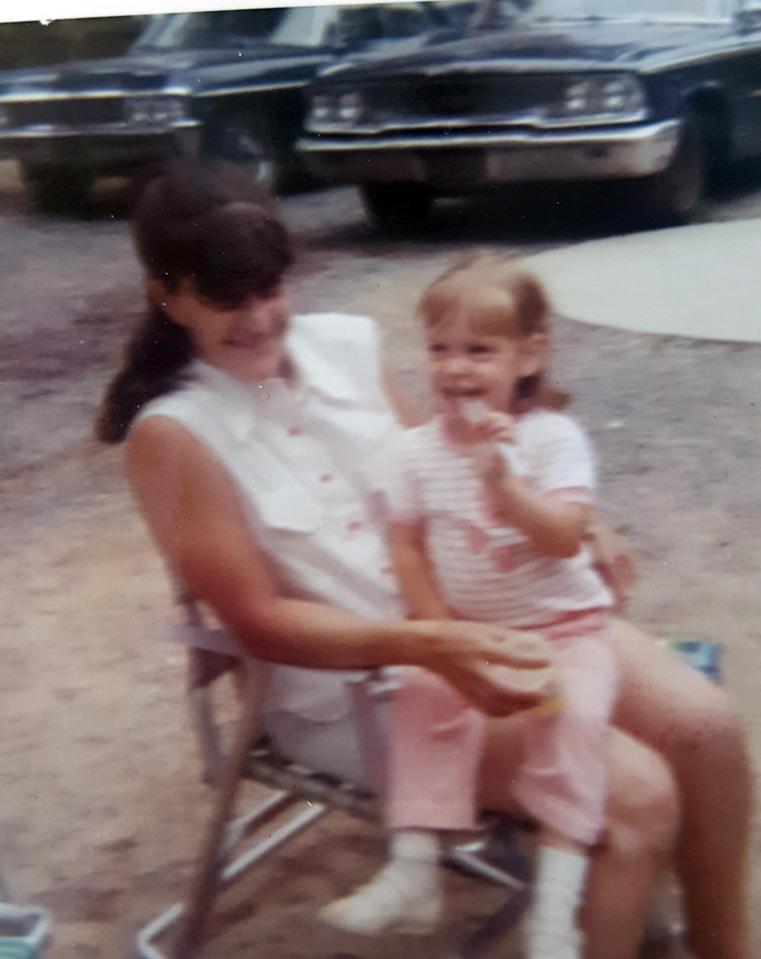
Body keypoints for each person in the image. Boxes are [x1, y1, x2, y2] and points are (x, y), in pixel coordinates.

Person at [96, 161, 753, 959]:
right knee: (635, 796)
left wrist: (580, 514)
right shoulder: (173, 434)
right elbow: (256, 620)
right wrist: (430, 645)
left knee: (703, 728)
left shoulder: (343, 344)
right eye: (225, 299)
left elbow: (450, 461)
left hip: (483, 608)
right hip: (358, 691)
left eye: (270, 288)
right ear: (168, 298)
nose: (261, 319)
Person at [320, 255, 618, 959]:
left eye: (479, 350)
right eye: (439, 348)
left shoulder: (551, 438)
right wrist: (438, 631)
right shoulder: (412, 452)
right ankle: (414, 869)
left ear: (528, 355)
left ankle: (553, 914)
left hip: (566, 631)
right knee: (421, 688)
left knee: (569, 720)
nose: (456, 369)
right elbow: (406, 545)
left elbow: (565, 533)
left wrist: (504, 484)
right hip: (478, 632)